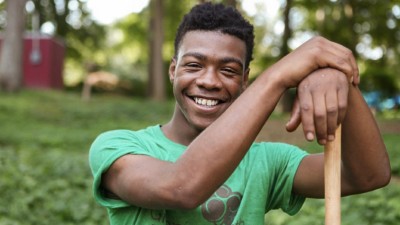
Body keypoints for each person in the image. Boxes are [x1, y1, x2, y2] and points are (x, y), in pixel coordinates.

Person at [89, 2, 391, 225]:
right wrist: (279, 77)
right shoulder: (117, 148)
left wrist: (336, 78)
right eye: (194, 65)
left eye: (228, 70)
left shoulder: (266, 161)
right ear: (173, 70)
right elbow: (180, 187)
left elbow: (368, 175)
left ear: (245, 80)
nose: (208, 81)